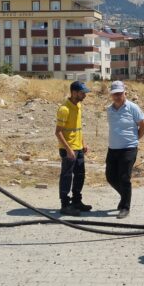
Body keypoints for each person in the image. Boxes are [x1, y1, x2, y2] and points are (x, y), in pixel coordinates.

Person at [105, 80, 144, 219]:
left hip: (128, 148)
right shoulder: (109, 110)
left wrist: (134, 140)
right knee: (110, 177)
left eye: (120, 93)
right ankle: (125, 196)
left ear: (125, 93)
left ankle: (125, 207)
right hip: (112, 149)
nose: (117, 96)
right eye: (115, 94)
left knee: (124, 177)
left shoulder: (132, 108)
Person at [55, 81, 92, 216]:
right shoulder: (64, 109)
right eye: (82, 93)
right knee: (66, 176)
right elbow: (58, 132)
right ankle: (65, 205)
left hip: (78, 147)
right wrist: (68, 150)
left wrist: (83, 143)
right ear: (74, 92)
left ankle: (76, 201)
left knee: (80, 175)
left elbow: (78, 128)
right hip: (68, 149)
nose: (85, 95)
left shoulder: (79, 106)